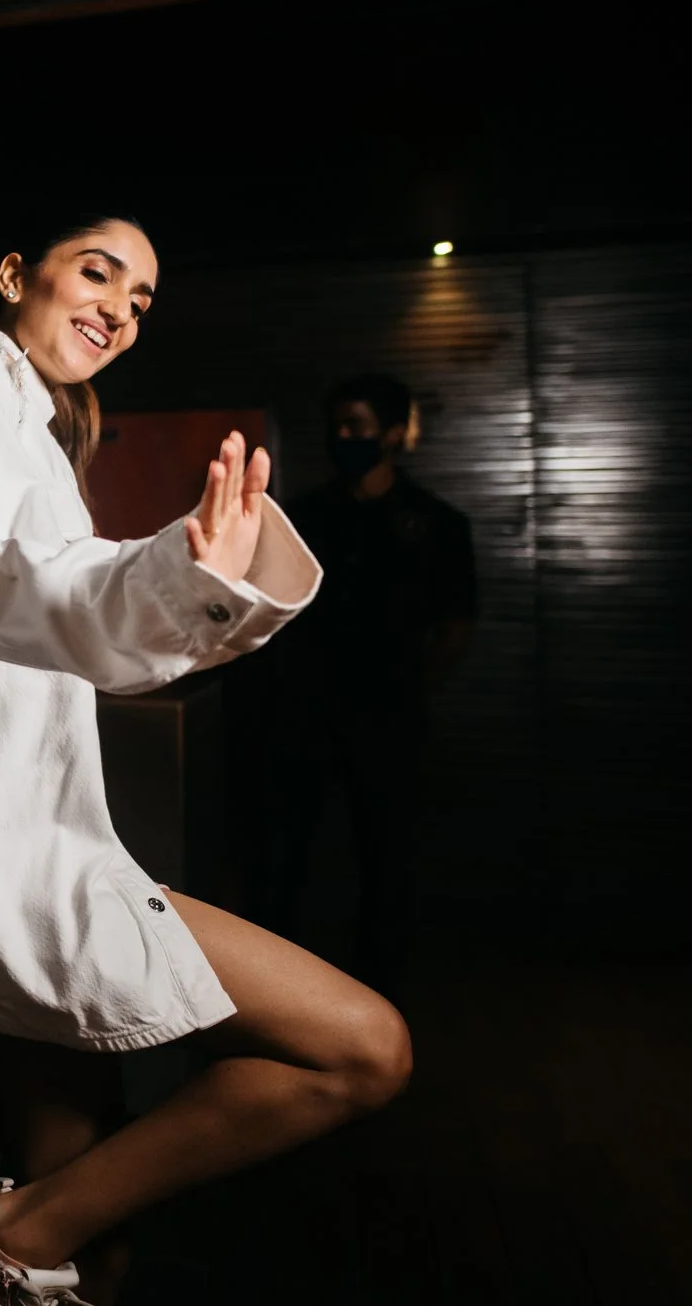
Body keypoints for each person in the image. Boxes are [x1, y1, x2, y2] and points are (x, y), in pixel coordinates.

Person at [0, 217, 413, 1306]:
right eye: (98, 270)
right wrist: (184, 571)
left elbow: (62, 611)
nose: (120, 305)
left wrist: (196, 575)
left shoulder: (31, 421)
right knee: (361, 1046)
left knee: (91, 1230)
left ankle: (18, 1235)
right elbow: (20, 581)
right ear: (16, 273)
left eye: (143, 296)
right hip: (3, 855)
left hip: (22, 844)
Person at [248, 374, 477, 997]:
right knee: (284, 855)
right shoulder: (306, 517)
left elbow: (456, 627)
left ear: (396, 433)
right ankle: (278, 991)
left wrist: (406, 690)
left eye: (357, 425)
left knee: (388, 859)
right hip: (303, 715)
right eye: (337, 426)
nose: (342, 438)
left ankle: (381, 990)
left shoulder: (436, 525)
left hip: (389, 718)